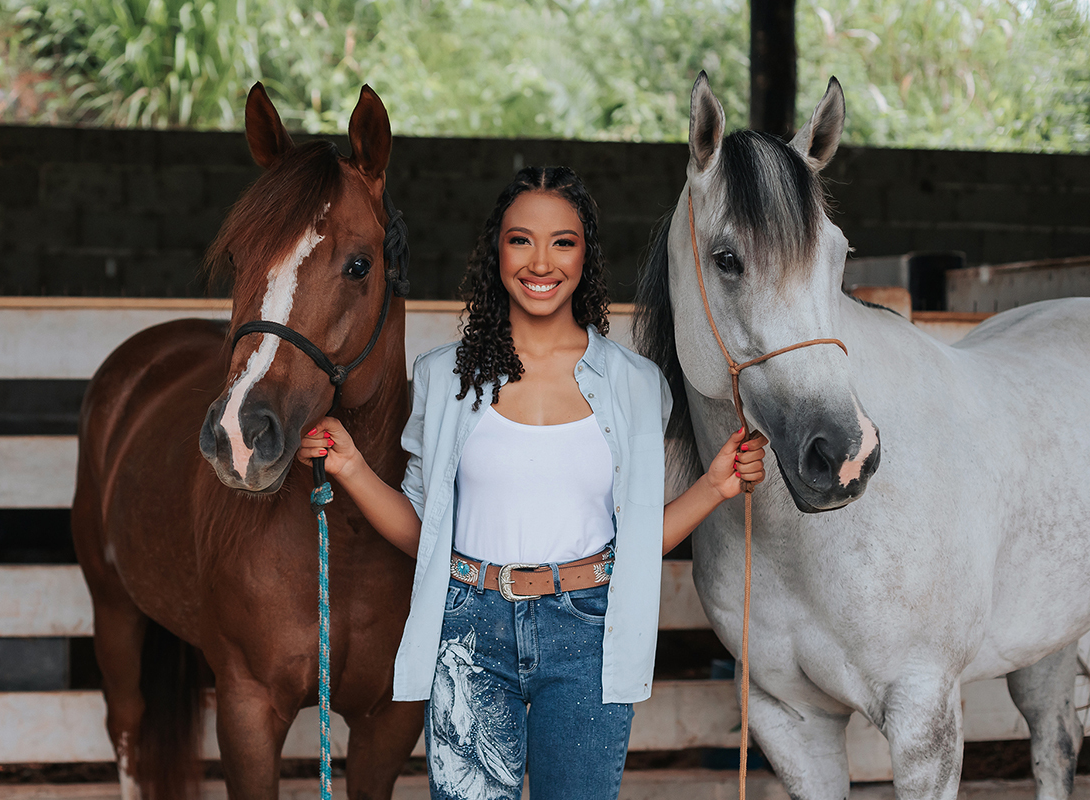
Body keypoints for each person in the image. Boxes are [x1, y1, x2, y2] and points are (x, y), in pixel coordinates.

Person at [298, 166, 768, 800]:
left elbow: (633, 542)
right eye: (521, 240)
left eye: (563, 242)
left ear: (585, 255)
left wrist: (715, 486)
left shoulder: (634, 384)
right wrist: (351, 465)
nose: (541, 261)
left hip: (586, 629)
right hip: (469, 629)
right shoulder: (443, 379)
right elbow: (425, 534)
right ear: (497, 253)